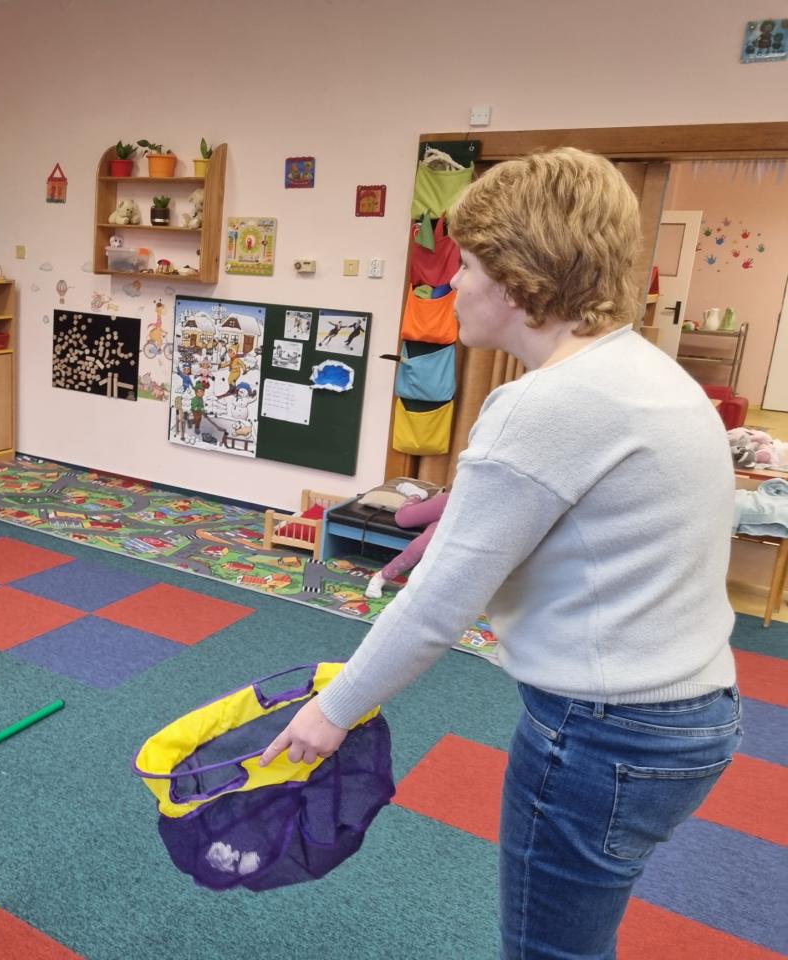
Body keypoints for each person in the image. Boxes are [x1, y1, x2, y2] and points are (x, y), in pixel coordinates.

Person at [260, 148, 741, 959]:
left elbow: (436, 606)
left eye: (469, 266)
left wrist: (330, 712)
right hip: (692, 713)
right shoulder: (648, 372)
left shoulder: (543, 404)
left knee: (548, 950)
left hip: (607, 731)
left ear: (518, 282)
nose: (453, 284)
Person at [364, 484, 448, 599]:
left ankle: (382, 576)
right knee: (403, 519)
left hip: (462, 520)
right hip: (453, 502)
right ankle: (416, 494)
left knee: (425, 543)